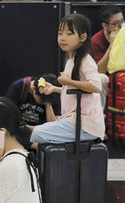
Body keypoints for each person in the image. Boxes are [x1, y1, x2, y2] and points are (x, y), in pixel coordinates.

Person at [29, 14, 105, 146]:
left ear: (83, 37)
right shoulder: (72, 60)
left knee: (36, 134)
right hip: (75, 122)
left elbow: (96, 86)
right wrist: (55, 88)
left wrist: (67, 82)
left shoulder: (85, 60)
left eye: (69, 34)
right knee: (37, 133)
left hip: (85, 125)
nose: (63, 38)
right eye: (60, 33)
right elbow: (76, 90)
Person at [5, 73, 61, 146]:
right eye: (43, 101)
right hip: (19, 135)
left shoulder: (52, 93)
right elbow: (7, 117)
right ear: (34, 89)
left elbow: (53, 127)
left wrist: (48, 105)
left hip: (40, 136)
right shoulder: (19, 87)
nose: (44, 103)